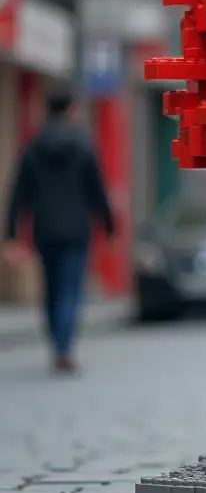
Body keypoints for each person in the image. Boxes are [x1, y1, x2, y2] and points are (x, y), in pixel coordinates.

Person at [3, 92, 115, 373]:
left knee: (52, 288)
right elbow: (97, 190)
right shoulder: (83, 146)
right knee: (69, 288)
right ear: (72, 110)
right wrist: (110, 226)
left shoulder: (33, 146)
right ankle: (63, 347)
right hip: (77, 229)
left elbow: (19, 192)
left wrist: (12, 233)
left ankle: (56, 340)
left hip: (45, 228)